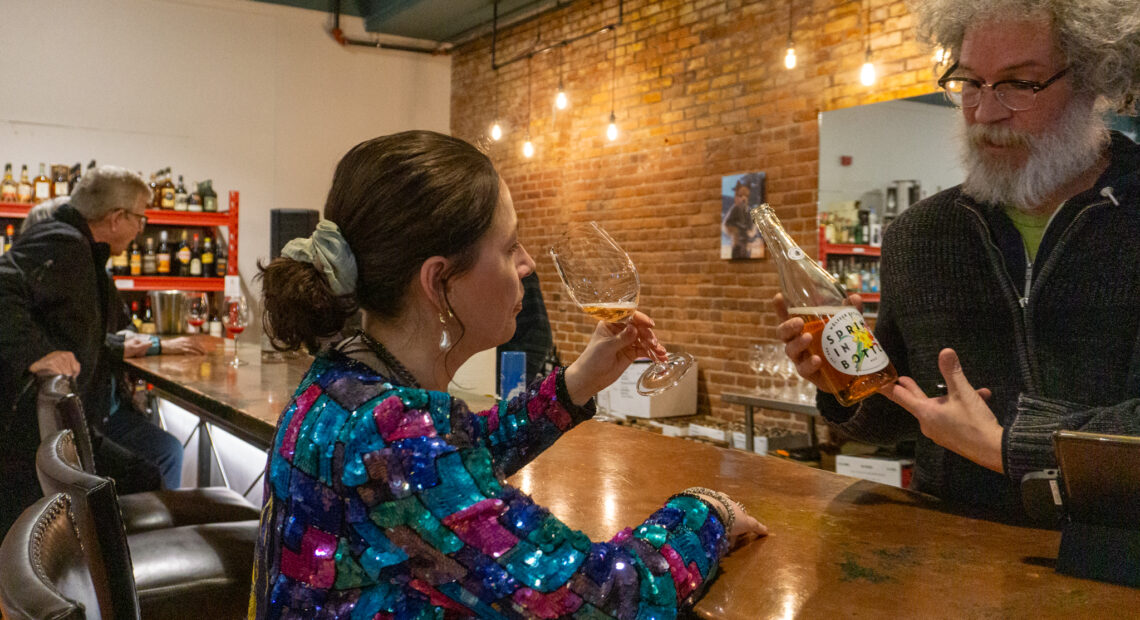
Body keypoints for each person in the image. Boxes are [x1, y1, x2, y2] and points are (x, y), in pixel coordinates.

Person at [251, 131, 765, 618]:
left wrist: (574, 384)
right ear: (439, 281)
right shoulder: (390, 434)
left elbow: (452, 466)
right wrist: (705, 512)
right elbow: (598, 600)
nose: (527, 262)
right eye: (509, 247)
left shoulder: (340, 382)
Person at [776, 0, 1140, 517]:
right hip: (954, 564)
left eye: (1020, 84)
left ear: (1090, 78)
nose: (986, 113)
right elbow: (902, 415)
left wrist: (1010, 446)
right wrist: (843, 381)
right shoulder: (920, 235)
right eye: (971, 82)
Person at [0, 166, 202, 532]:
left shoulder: (78, 247)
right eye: (140, 217)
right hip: (33, 434)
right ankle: (133, 578)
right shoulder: (64, 242)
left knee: (146, 472)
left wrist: (115, 347)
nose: (142, 227)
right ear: (116, 218)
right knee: (146, 477)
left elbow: (64, 327)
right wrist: (36, 352)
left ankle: (111, 573)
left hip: (51, 430)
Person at [721, 180, 755, 259]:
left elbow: (751, 225)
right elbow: (727, 223)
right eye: (740, 196)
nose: (743, 198)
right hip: (737, 242)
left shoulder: (748, 210)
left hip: (746, 241)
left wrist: (749, 230)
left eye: (746, 196)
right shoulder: (735, 209)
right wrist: (737, 228)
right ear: (737, 196)